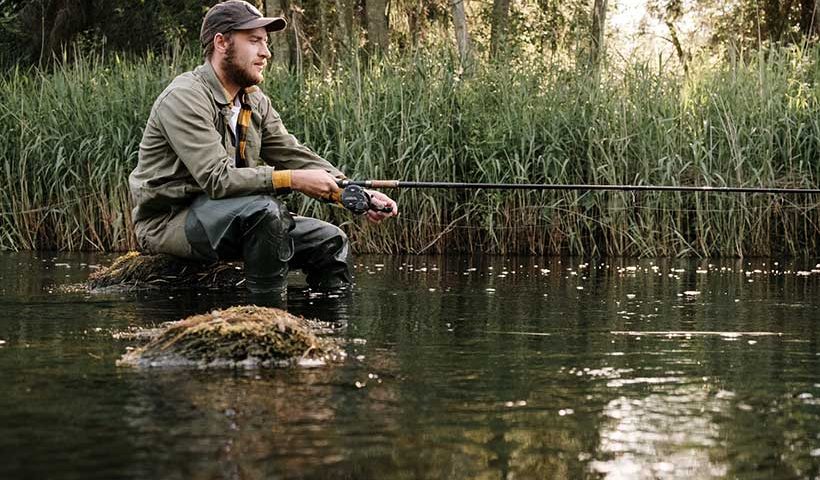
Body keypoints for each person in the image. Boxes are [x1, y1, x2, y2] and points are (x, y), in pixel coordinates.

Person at [128, 0, 397, 293]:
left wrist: (352, 192)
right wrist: (293, 180)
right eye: (255, 41)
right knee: (266, 211)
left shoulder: (254, 100)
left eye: (266, 43)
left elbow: (293, 154)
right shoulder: (185, 97)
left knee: (331, 241)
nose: (266, 53)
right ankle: (267, 319)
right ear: (221, 42)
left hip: (236, 218)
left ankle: (328, 334)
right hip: (170, 223)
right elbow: (217, 179)